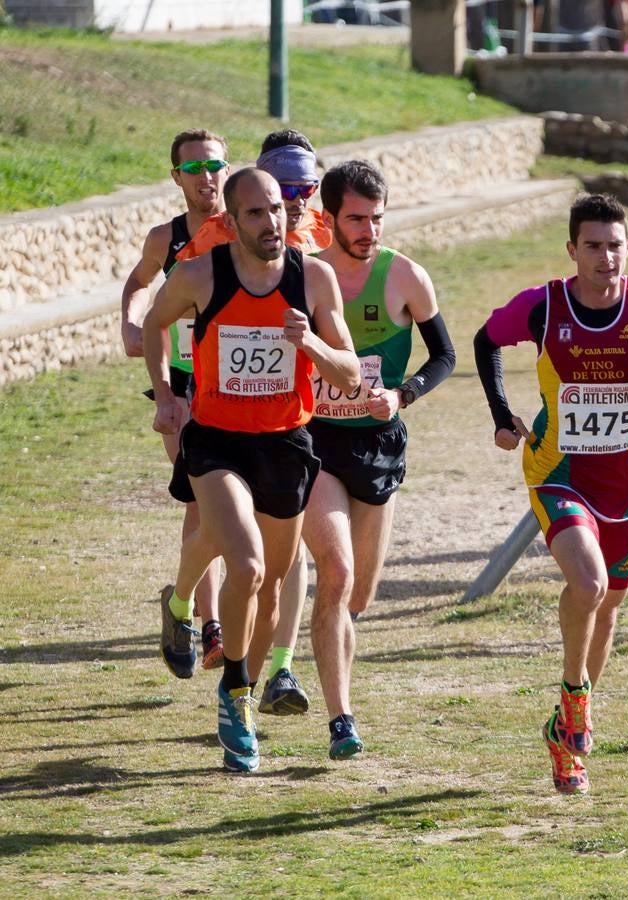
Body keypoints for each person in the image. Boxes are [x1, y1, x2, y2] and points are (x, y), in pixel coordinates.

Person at [474, 194, 628, 794]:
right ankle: (575, 700)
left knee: (608, 609)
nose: (605, 257)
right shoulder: (544, 305)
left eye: (615, 245)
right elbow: (484, 339)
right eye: (593, 246)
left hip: (625, 484)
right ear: (572, 250)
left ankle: (562, 734)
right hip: (557, 473)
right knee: (589, 584)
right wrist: (502, 412)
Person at [143, 168, 361, 773]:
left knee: (266, 594)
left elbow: (348, 374)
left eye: (278, 210)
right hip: (215, 442)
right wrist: (165, 392)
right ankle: (236, 698)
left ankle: (189, 616)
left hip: (285, 445)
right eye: (257, 214)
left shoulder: (312, 277)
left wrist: (310, 345)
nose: (273, 223)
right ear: (231, 222)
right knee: (247, 563)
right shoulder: (198, 274)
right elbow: (155, 324)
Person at [269, 160, 455, 760]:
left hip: (377, 444)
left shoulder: (406, 277)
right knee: (338, 571)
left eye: (377, 218)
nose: (368, 229)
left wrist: (402, 394)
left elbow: (445, 357)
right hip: (314, 441)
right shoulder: (303, 276)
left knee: (358, 597)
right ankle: (340, 719)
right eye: (356, 218)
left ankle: (321, 657)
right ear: (327, 217)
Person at [122, 129, 231, 678]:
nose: (206, 176)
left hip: (234, 385)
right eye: (194, 168)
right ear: (176, 178)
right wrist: (129, 320)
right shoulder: (164, 239)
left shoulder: (245, 231)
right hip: (185, 384)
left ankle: (188, 607)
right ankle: (209, 626)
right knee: (202, 500)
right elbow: (137, 284)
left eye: (215, 165)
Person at [177, 129, 331, 262]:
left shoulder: (323, 230)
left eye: (307, 189)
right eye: (287, 190)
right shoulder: (216, 234)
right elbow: (176, 291)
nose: (299, 201)